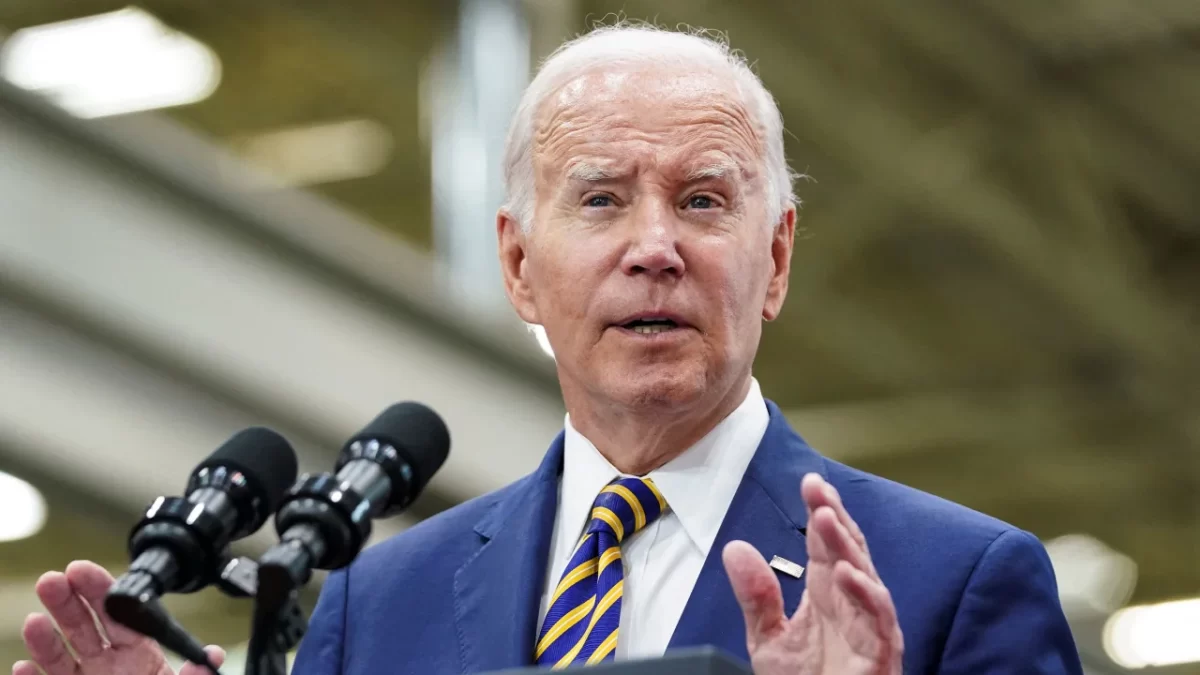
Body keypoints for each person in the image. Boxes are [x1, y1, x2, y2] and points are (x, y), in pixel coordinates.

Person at [15, 24, 1083, 675]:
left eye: (704, 201)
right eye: (602, 200)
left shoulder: (952, 582)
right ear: (520, 265)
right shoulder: (370, 607)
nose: (654, 247)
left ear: (780, 258)